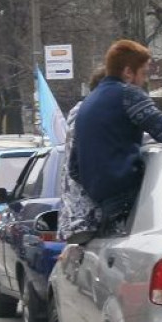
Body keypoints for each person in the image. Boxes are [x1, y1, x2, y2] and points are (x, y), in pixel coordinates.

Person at [69, 40, 162, 241]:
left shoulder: (88, 102)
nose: (143, 81)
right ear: (128, 72)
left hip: (105, 205)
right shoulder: (128, 94)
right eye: (142, 73)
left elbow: (74, 167)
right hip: (129, 201)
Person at [59, 65, 106, 243]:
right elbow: (79, 168)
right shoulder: (92, 116)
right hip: (88, 217)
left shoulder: (80, 113)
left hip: (75, 219)